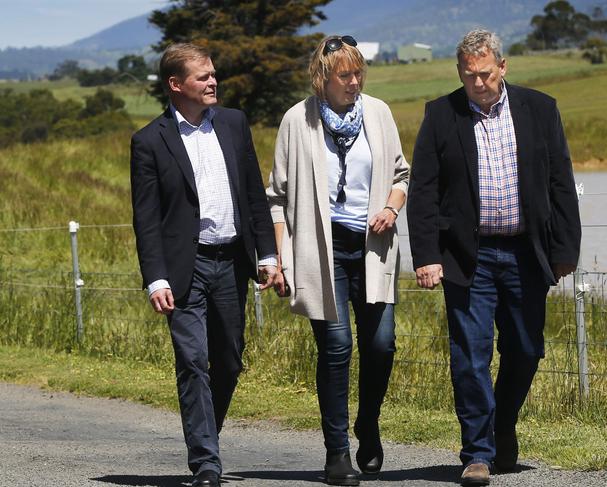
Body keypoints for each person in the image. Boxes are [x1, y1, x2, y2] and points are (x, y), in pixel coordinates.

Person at [407, 29, 581, 486]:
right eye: (468, 76)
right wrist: (426, 254)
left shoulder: (540, 109)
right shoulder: (441, 115)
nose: (477, 83)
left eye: (484, 74)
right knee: (470, 355)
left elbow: (560, 180)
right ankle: (478, 452)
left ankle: (502, 423)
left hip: (527, 252)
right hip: (469, 257)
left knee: (525, 351)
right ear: (459, 73)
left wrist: (565, 249)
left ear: (502, 67)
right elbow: (423, 191)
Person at [130, 43, 277, 487]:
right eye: (202, 77)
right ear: (176, 85)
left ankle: (204, 435)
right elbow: (147, 217)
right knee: (193, 360)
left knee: (228, 361)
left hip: (232, 261)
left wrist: (268, 254)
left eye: (213, 74)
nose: (213, 82)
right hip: (184, 268)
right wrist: (155, 277)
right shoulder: (149, 141)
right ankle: (207, 464)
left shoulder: (233, 123)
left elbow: (254, 192)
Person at [266, 35, 409, 486]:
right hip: (319, 249)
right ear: (322, 78)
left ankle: (368, 424)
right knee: (336, 347)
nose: (354, 82)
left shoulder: (379, 113)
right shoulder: (297, 120)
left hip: (372, 248)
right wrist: (280, 257)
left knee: (381, 344)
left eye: (358, 73)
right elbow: (277, 197)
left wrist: (391, 206)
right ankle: (337, 452)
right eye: (344, 75)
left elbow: (402, 174)